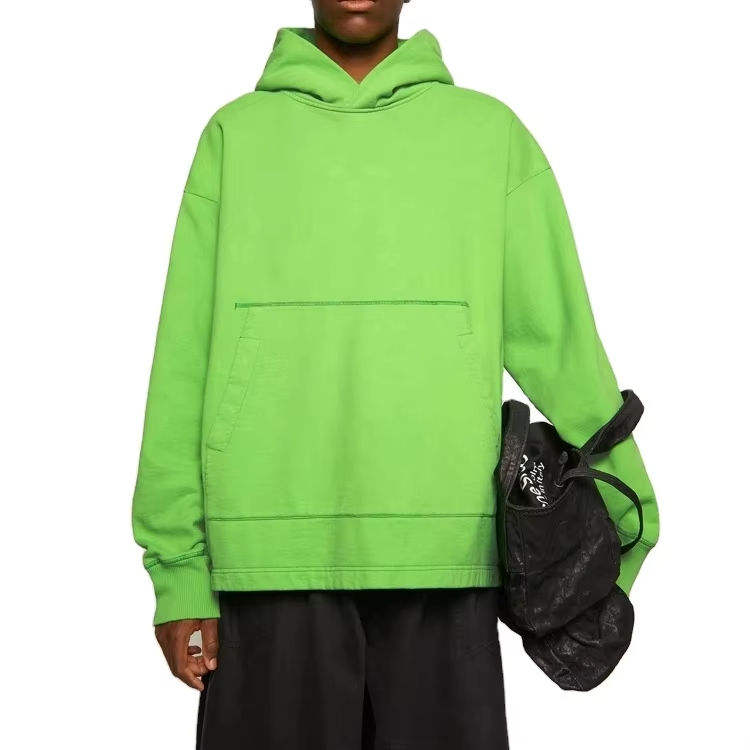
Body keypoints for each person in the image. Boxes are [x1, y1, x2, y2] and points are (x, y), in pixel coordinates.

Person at [132, 0, 659, 747]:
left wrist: (629, 506)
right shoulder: (236, 138)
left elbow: (560, 340)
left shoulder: (489, 137)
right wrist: (178, 571)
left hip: (445, 561)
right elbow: (185, 358)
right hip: (267, 561)